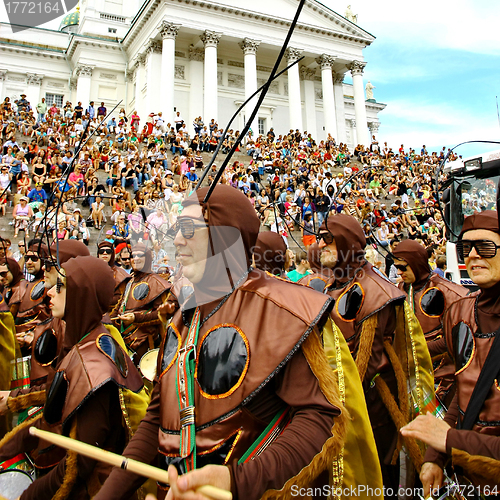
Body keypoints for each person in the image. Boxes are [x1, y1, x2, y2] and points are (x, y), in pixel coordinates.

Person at [95, 184, 382, 500]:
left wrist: (238, 481)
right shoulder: (182, 318)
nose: (177, 240)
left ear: (223, 234)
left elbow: (319, 420)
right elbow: (157, 422)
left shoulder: (280, 308)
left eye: (188, 229)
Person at [0, 256, 146, 499]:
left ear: (82, 294)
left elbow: (79, 467)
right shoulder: (84, 343)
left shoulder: (94, 362)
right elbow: (54, 408)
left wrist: (27, 496)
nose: (49, 293)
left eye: (61, 286)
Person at [318, 214, 434, 496]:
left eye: (327, 238)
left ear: (345, 242)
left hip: (369, 412)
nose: (319, 244)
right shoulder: (333, 286)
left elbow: (364, 366)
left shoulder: (374, 290)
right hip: (335, 406)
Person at [402, 210, 500, 496]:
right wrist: (436, 456)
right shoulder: (460, 312)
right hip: (467, 478)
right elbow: (466, 388)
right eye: (464, 248)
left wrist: (449, 440)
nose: (471, 255)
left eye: (484, 247)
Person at [393, 239, 468, 409]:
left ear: (416, 263)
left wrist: (423, 349)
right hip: (409, 378)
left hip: (443, 380)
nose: (398, 272)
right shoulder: (399, 291)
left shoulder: (449, 292)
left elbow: (457, 337)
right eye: (396, 267)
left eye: (403, 267)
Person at [112, 242, 171, 366]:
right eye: (133, 256)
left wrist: (136, 318)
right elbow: (118, 307)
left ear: (148, 258)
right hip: (123, 340)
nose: (136, 258)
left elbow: (161, 315)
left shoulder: (157, 283)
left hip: (145, 344)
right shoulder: (130, 281)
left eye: (141, 255)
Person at [97, 240, 130, 313]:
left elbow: (120, 297)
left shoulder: (120, 273)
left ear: (112, 254)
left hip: (112, 312)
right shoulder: (91, 271)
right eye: (101, 251)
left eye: (108, 251)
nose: (105, 253)